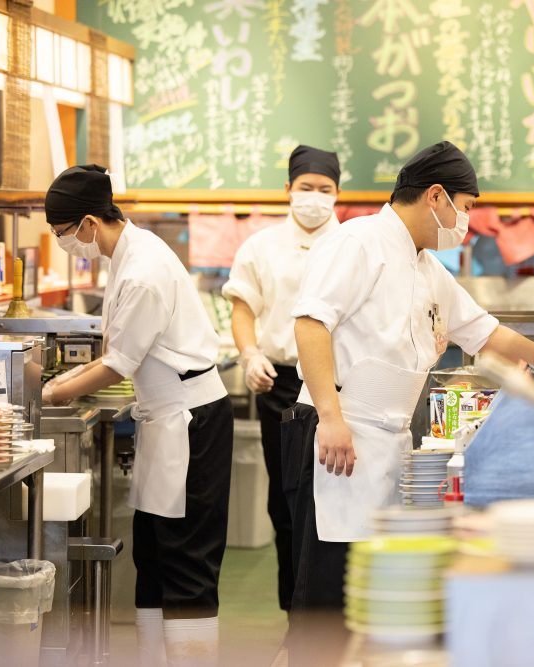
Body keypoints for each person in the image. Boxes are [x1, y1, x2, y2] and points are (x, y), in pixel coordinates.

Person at [283, 141, 534, 660]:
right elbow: (310, 324)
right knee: (325, 601)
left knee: (365, 598)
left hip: (382, 442)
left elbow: (492, 336)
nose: (465, 221)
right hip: (336, 433)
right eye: (466, 208)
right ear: (436, 197)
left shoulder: (426, 267)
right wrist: (331, 420)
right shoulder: (358, 241)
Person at [40, 165, 233, 667]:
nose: (64, 243)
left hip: (192, 420)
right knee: (153, 556)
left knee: (187, 560)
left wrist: (53, 392)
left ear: (87, 223)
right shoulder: (126, 254)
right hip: (165, 418)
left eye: (62, 234)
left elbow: (117, 364)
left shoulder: (144, 269)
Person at [221, 145, 341, 612]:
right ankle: (294, 609)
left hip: (336, 384)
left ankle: (330, 608)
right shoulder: (260, 246)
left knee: (332, 495)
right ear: (288, 189)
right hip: (279, 383)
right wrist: (249, 355)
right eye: (306, 187)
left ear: (337, 193)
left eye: (325, 189)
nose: (314, 197)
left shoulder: (351, 243)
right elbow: (242, 309)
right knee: (285, 498)